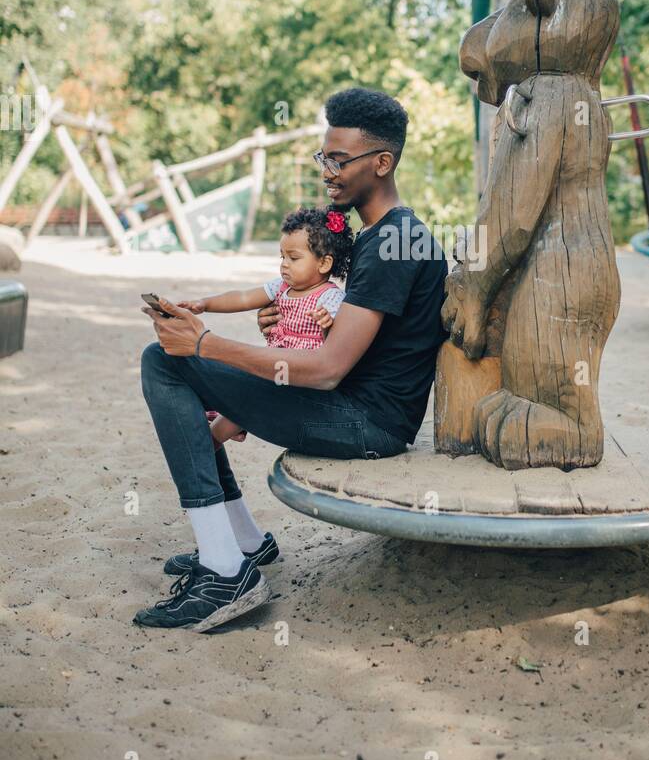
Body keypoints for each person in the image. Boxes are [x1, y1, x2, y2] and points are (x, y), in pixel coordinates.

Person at [137, 88, 448, 632]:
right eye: (322, 156)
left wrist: (206, 344)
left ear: (382, 163)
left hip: (366, 424)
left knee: (165, 362)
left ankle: (224, 570)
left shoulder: (394, 241)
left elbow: (327, 369)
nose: (327, 170)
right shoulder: (386, 236)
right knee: (173, 363)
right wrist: (271, 347)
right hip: (357, 407)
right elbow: (347, 341)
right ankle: (244, 545)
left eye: (338, 159)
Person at [177, 205, 353, 446]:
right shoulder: (281, 287)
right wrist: (205, 304)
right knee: (240, 382)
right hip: (273, 365)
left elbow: (337, 347)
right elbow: (243, 298)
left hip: (299, 376)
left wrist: (326, 326)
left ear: (324, 264)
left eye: (294, 258)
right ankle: (222, 426)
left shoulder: (329, 297)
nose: (284, 265)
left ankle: (212, 441)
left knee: (249, 397)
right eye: (282, 256)